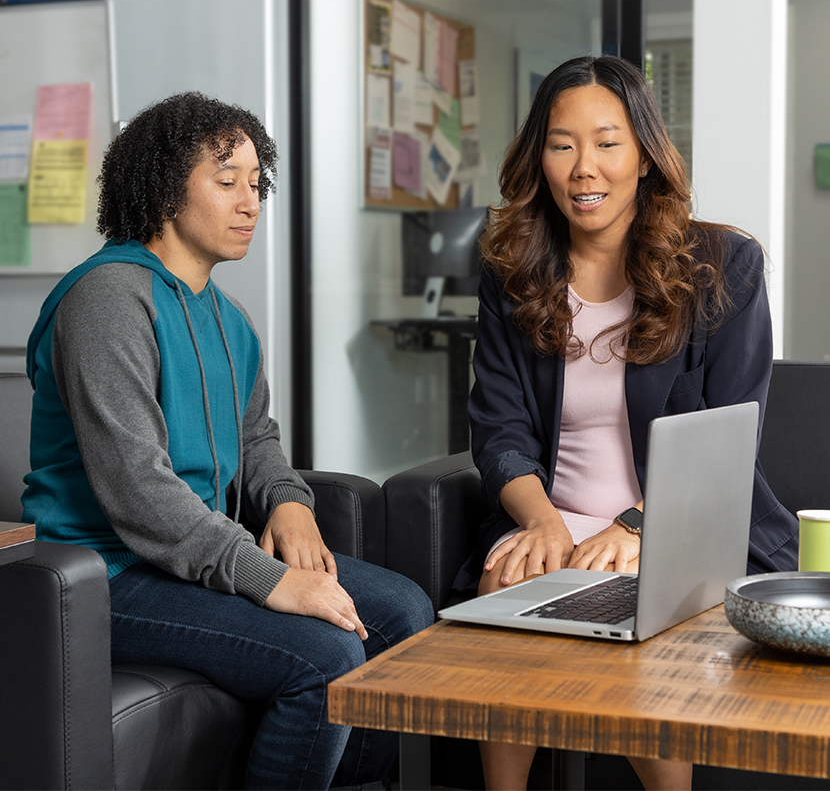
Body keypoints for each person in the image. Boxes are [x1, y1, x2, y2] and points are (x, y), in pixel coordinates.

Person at [22, 92, 434, 790]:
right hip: (107, 574)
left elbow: (257, 438)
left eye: (256, 183)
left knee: (407, 613)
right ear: (162, 192)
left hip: (181, 559)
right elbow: (139, 491)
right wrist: (268, 579)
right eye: (226, 181)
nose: (250, 202)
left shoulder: (228, 316)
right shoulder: (107, 301)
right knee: (323, 656)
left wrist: (290, 505)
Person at [459, 55, 798, 791]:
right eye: (562, 144)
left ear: (644, 154)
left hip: (677, 522)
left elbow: (728, 437)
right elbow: (499, 426)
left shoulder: (723, 265)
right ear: (537, 158)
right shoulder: (510, 270)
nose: (586, 167)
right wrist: (540, 521)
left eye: (607, 142)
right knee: (501, 574)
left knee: (642, 592)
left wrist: (637, 526)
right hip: (556, 512)